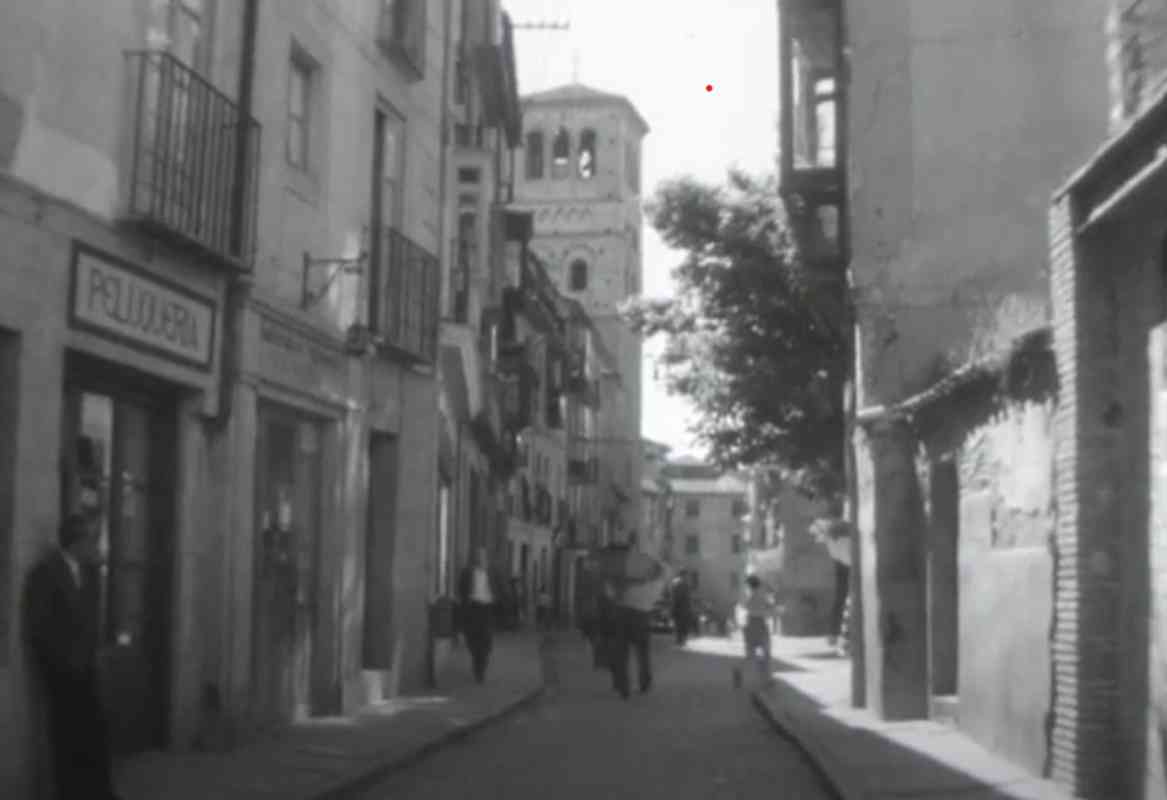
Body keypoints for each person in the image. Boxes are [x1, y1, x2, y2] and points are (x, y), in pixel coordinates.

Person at [23, 513, 122, 800]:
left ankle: (100, 792)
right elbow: (38, 627)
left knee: (95, 733)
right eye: (92, 540)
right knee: (67, 738)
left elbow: (90, 620)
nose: (97, 547)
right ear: (77, 542)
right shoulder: (45, 574)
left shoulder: (89, 574)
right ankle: (70, 793)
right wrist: (62, 663)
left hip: (86, 668)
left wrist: (94, 655)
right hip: (62, 673)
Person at [610, 551, 666, 700]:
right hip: (644, 617)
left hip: (625, 614)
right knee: (643, 653)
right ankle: (645, 683)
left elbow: (619, 593)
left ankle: (623, 686)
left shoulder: (634, 583)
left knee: (622, 652)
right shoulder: (658, 585)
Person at [457, 546, 504, 684]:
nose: (480, 559)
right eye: (477, 556)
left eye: (482, 556)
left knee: (486, 640)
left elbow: (501, 588)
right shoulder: (467, 572)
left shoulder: (493, 572)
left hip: (487, 609)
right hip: (472, 608)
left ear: (486, 558)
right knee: (472, 639)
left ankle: (480, 669)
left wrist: (497, 601)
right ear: (474, 558)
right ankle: (476, 660)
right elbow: (461, 589)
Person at [735, 574, 777, 689]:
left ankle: (739, 671)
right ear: (759, 584)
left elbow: (743, 608)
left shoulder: (749, 596)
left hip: (749, 625)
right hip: (760, 625)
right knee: (766, 654)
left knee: (750, 655)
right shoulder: (762, 595)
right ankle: (768, 679)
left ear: (750, 585)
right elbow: (771, 608)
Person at [670, 571, 693, 646]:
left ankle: (680, 640)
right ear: (683, 575)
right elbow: (678, 597)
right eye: (687, 575)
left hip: (681, 607)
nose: (688, 577)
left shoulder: (677, 582)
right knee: (682, 625)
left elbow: (674, 596)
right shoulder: (682, 583)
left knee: (679, 624)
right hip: (682, 608)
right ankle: (681, 640)